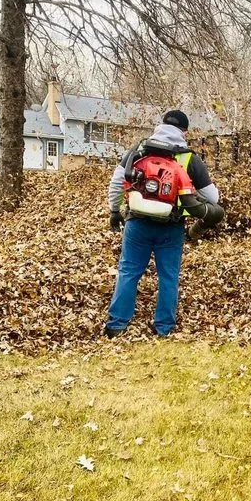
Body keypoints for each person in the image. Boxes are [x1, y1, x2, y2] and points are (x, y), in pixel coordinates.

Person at [104, 109, 223, 338]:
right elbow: (213, 200)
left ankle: (116, 325)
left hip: (137, 223)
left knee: (128, 272)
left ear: (161, 126)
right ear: (184, 132)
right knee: (168, 276)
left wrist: (114, 211)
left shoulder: (138, 151)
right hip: (172, 226)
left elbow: (117, 183)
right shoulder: (189, 158)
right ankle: (163, 328)